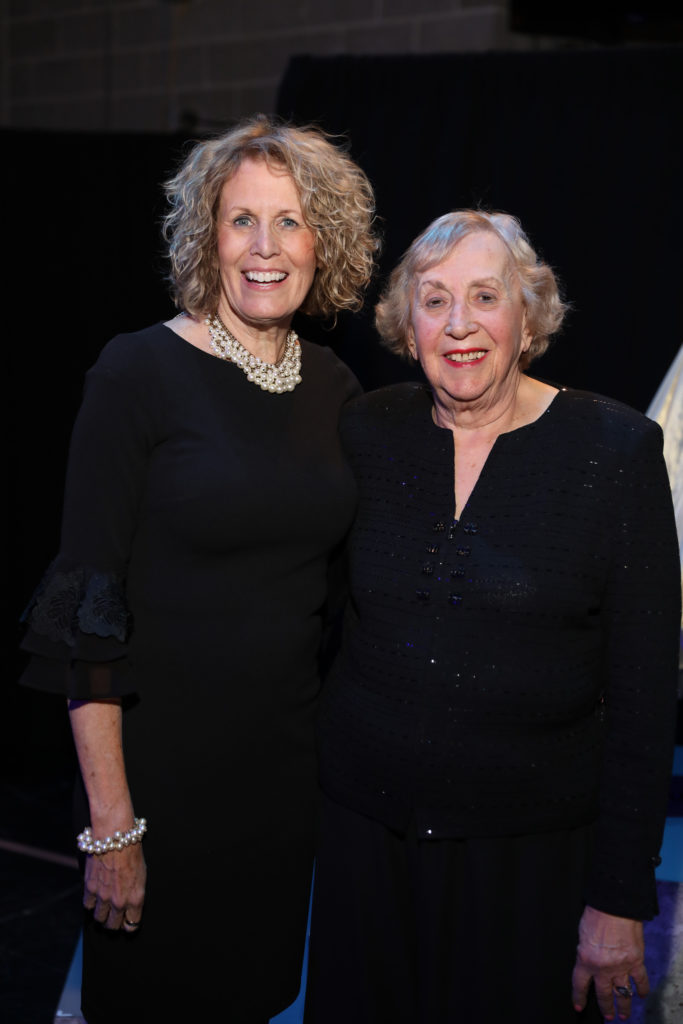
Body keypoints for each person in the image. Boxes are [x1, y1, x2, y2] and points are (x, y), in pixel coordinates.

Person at [20, 115, 378, 1023]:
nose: (266, 247)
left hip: (279, 791)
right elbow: (87, 613)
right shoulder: (135, 372)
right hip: (155, 791)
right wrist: (112, 825)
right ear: (204, 237)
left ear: (322, 241)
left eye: (290, 222)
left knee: (255, 1001)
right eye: (241, 220)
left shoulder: (338, 389)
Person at [304, 210, 681, 1024]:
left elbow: (645, 703)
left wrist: (619, 902)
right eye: (433, 300)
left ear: (528, 315)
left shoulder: (615, 452)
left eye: (485, 296)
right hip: (363, 851)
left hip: (530, 870)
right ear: (407, 322)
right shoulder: (369, 431)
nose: (460, 324)